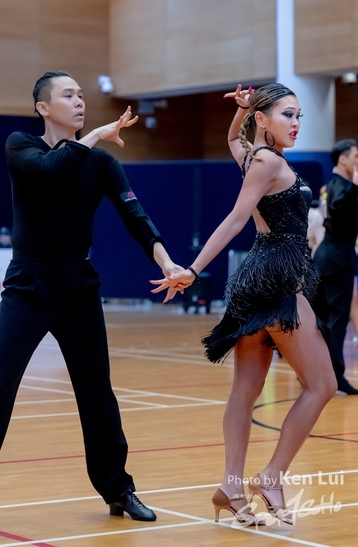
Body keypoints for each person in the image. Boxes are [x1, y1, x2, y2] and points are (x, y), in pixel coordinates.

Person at [0, 71, 182, 538]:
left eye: (82, 95)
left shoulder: (102, 164)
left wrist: (167, 261)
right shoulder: (20, 147)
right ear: (43, 107)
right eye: (68, 95)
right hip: (28, 284)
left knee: (97, 393)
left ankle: (118, 488)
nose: (79, 101)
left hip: (78, 286)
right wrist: (94, 136)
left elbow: (136, 216)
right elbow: (52, 169)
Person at [151, 83, 337, 527]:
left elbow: (234, 140)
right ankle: (271, 477)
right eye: (288, 114)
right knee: (323, 384)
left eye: (299, 115)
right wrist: (193, 270)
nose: (296, 122)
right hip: (277, 279)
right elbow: (236, 218)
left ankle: (232, 487)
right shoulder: (268, 161)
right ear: (264, 120)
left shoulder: (257, 159)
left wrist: (240, 113)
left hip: (256, 278)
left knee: (245, 391)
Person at [314, 139, 358, 395]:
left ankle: (316, 375)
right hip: (337, 260)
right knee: (336, 320)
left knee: (323, 320)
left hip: (325, 257)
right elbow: (339, 206)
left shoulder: (329, 186)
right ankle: (334, 377)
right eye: (355, 157)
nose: (357, 162)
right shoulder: (342, 188)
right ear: (343, 159)